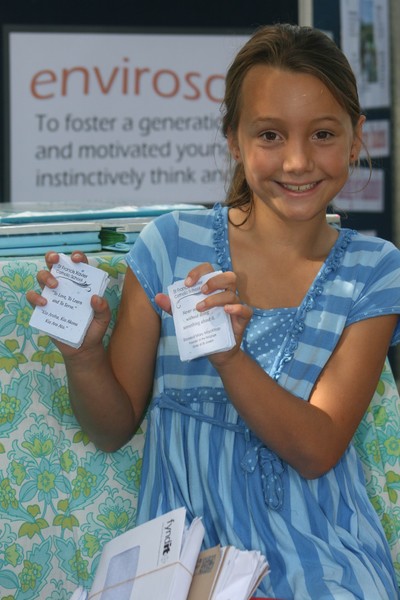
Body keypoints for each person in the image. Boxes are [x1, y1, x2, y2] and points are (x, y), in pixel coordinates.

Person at [27, 23, 400, 599]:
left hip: (319, 557)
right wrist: (82, 356)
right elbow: (112, 427)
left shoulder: (373, 270)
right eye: (270, 135)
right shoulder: (168, 245)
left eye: (323, 134)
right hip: (183, 565)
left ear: (355, 139)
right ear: (233, 138)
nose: (298, 161)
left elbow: (317, 448)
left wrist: (229, 358)